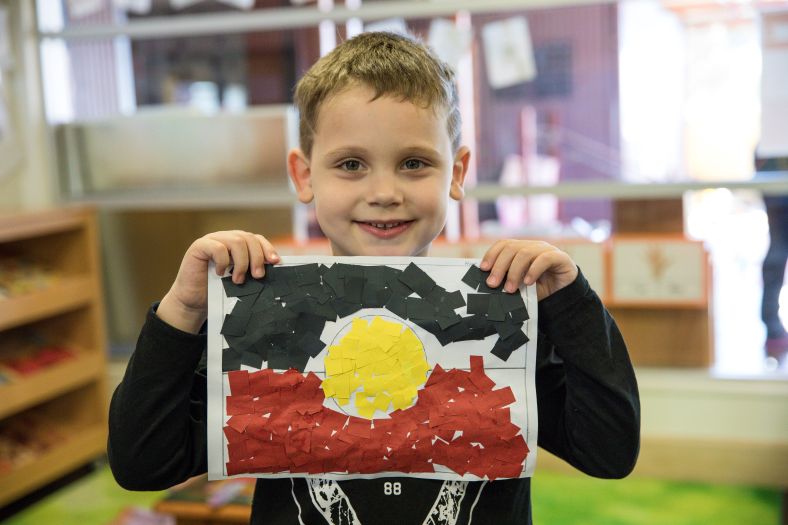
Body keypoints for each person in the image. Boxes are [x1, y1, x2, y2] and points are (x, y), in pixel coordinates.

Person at [108, 32, 640, 525]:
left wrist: (570, 303)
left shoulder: (498, 322)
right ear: (303, 174)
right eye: (351, 164)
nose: (385, 190)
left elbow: (609, 452)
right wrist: (182, 310)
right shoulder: (261, 323)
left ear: (456, 174)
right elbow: (142, 464)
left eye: (413, 163)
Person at [756, 155, 788, 364]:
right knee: (777, 252)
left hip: (773, 172)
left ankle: (773, 329)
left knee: (776, 252)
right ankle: (773, 329)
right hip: (775, 175)